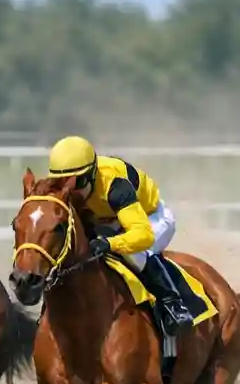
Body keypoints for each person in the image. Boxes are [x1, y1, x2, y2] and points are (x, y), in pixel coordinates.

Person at [46, 135, 195, 339]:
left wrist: (110, 243)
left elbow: (142, 235)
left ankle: (173, 304)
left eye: (76, 182)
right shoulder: (68, 187)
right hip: (107, 219)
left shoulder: (115, 187)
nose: (70, 190)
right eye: (61, 183)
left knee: (135, 252)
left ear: (91, 174)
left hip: (150, 218)